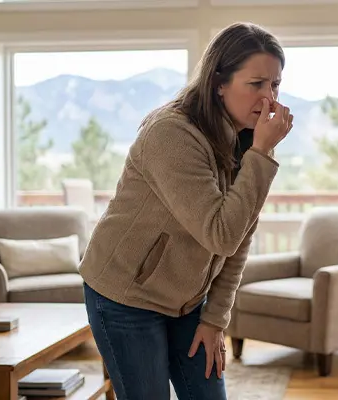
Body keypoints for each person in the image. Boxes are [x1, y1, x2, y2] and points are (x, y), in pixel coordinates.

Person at [77, 22, 292, 400]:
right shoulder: (172, 135)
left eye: (275, 84)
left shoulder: (248, 143)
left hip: (189, 299)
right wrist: (261, 153)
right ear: (219, 83)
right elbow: (220, 233)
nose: (269, 98)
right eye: (256, 84)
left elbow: (239, 240)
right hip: (126, 295)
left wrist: (215, 318)